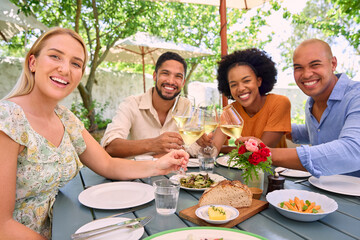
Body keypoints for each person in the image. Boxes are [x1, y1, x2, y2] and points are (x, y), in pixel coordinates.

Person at [0, 27, 189, 240]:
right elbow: (2, 225)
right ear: (32, 62)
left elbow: (107, 164)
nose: (65, 69)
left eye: (76, 63)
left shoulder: (65, 118)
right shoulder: (7, 119)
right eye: (55, 56)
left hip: (65, 229)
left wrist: (159, 165)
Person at [241, 39, 360, 178]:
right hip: (325, 188)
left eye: (315, 65)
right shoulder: (312, 102)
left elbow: (353, 151)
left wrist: (264, 153)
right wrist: (277, 126)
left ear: (333, 64)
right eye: (298, 67)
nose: (306, 74)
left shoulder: (355, 96)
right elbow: (317, 133)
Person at [101, 51, 198, 158]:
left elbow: (195, 147)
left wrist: (162, 156)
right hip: (137, 173)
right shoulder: (131, 104)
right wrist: (153, 144)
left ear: (183, 83)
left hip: (176, 173)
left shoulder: (185, 106)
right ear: (155, 76)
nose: (171, 81)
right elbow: (110, 147)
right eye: (165, 73)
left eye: (178, 76)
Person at [210, 48, 291, 154]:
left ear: (259, 81)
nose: (240, 88)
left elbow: (261, 151)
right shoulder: (230, 111)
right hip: (243, 170)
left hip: (275, 169)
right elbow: (214, 148)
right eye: (233, 84)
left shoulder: (279, 103)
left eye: (246, 81)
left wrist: (223, 148)